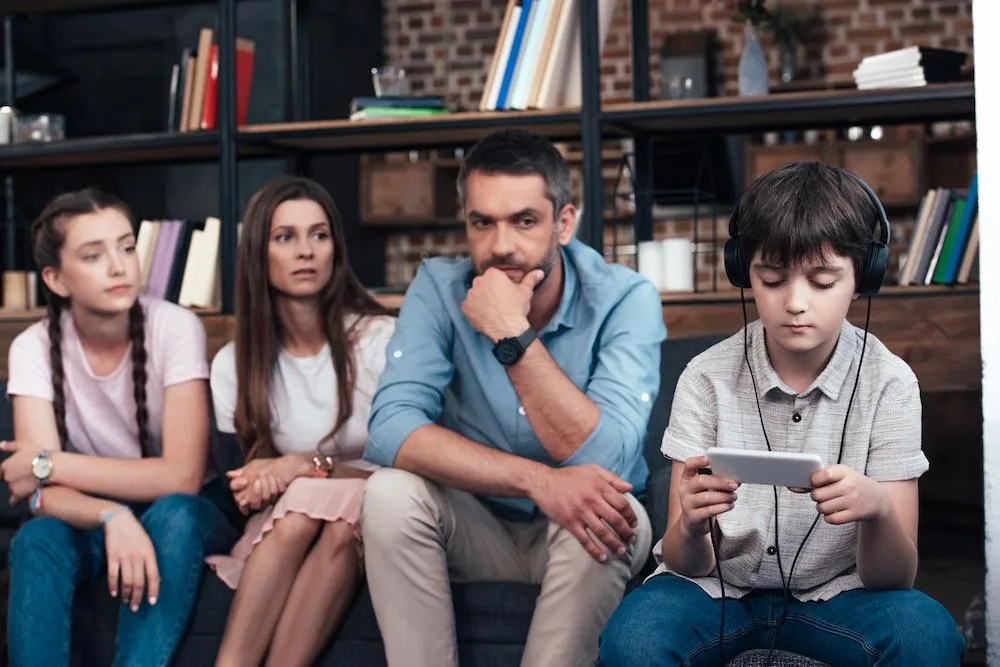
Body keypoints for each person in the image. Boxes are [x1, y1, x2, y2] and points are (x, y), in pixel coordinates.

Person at [598, 162, 965, 666]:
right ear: (743, 275)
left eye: (822, 281)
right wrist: (689, 528)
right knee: (633, 639)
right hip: (713, 591)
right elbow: (686, 564)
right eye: (772, 280)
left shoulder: (890, 382)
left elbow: (895, 579)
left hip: (841, 596)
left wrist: (878, 508)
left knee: (926, 634)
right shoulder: (705, 377)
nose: (795, 303)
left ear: (863, 277)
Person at [361, 128, 665, 667]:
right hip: (476, 525)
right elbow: (389, 430)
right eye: (483, 223)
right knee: (388, 494)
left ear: (563, 223)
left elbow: (610, 457)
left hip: (578, 533)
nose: (501, 245)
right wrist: (537, 480)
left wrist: (511, 335)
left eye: (524, 221)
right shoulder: (437, 286)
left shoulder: (625, 298)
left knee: (612, 513)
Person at [1, 189, 238, 667]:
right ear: (56, 278)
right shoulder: (31, 348)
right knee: (36, 538)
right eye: (93, 255)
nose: (119, 266)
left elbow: (182, 478)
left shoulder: (175, 327)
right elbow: (38, 496)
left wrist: (51, 464)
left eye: (127, 247)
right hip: (95, 515)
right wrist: (113, 515)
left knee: (173, 512)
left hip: (191, 514)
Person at [206, 176, 396, 667]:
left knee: (325, 508)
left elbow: (414, 469)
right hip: (294, 523)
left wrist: (303, 466)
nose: (306, 251)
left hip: (386, 506)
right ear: (258, 253)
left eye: (319, 234)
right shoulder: (235, 363)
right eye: (285, 237)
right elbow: (252, 483)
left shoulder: (379, 340)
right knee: (308, 509)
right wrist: (273, 475)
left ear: (336, 246)